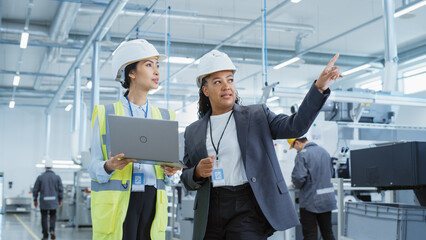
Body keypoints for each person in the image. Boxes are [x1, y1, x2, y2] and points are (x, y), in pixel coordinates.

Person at [180, 49, 342, 240]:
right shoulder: (193, 131)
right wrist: (197, 172)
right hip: (210, 210)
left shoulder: (256, 116)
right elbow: (186, 177)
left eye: (230, 80)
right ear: (205, 90)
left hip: (246, 207)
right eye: (218, 82)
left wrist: (319, 88)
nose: (226, 86)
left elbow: (295, 126)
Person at [89, 39, 181, 240]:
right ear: (131, 72)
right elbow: (93, 167)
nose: (156, 71)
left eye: (157, 65)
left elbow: (170, 178)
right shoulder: (105, 113)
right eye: (149, 65)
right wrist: (109, 165)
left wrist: (172, 172)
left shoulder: (166, 117)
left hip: (152, 201)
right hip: (120, 202)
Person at [289, 137, 337, 240]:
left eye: (294, 147)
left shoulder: (302, 154)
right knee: (328, 233)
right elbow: (331, 173)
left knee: (310, 234)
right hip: (327, 200)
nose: (296, 150)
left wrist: (295, 184)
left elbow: (298, 178)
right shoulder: (324, 151)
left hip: (310, 201)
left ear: (297, 143)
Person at [33, 159, 63, 240]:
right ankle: (52, 230)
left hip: (44, 201)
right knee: (53, 216)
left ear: (45, 167)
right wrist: (60, 200)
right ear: (52, 167)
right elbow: (61, 189)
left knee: (44, 217)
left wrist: (35, 200)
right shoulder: (57, 177)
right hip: (54, 201)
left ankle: (45, 235)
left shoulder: (40, 177)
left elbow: (35, 189)